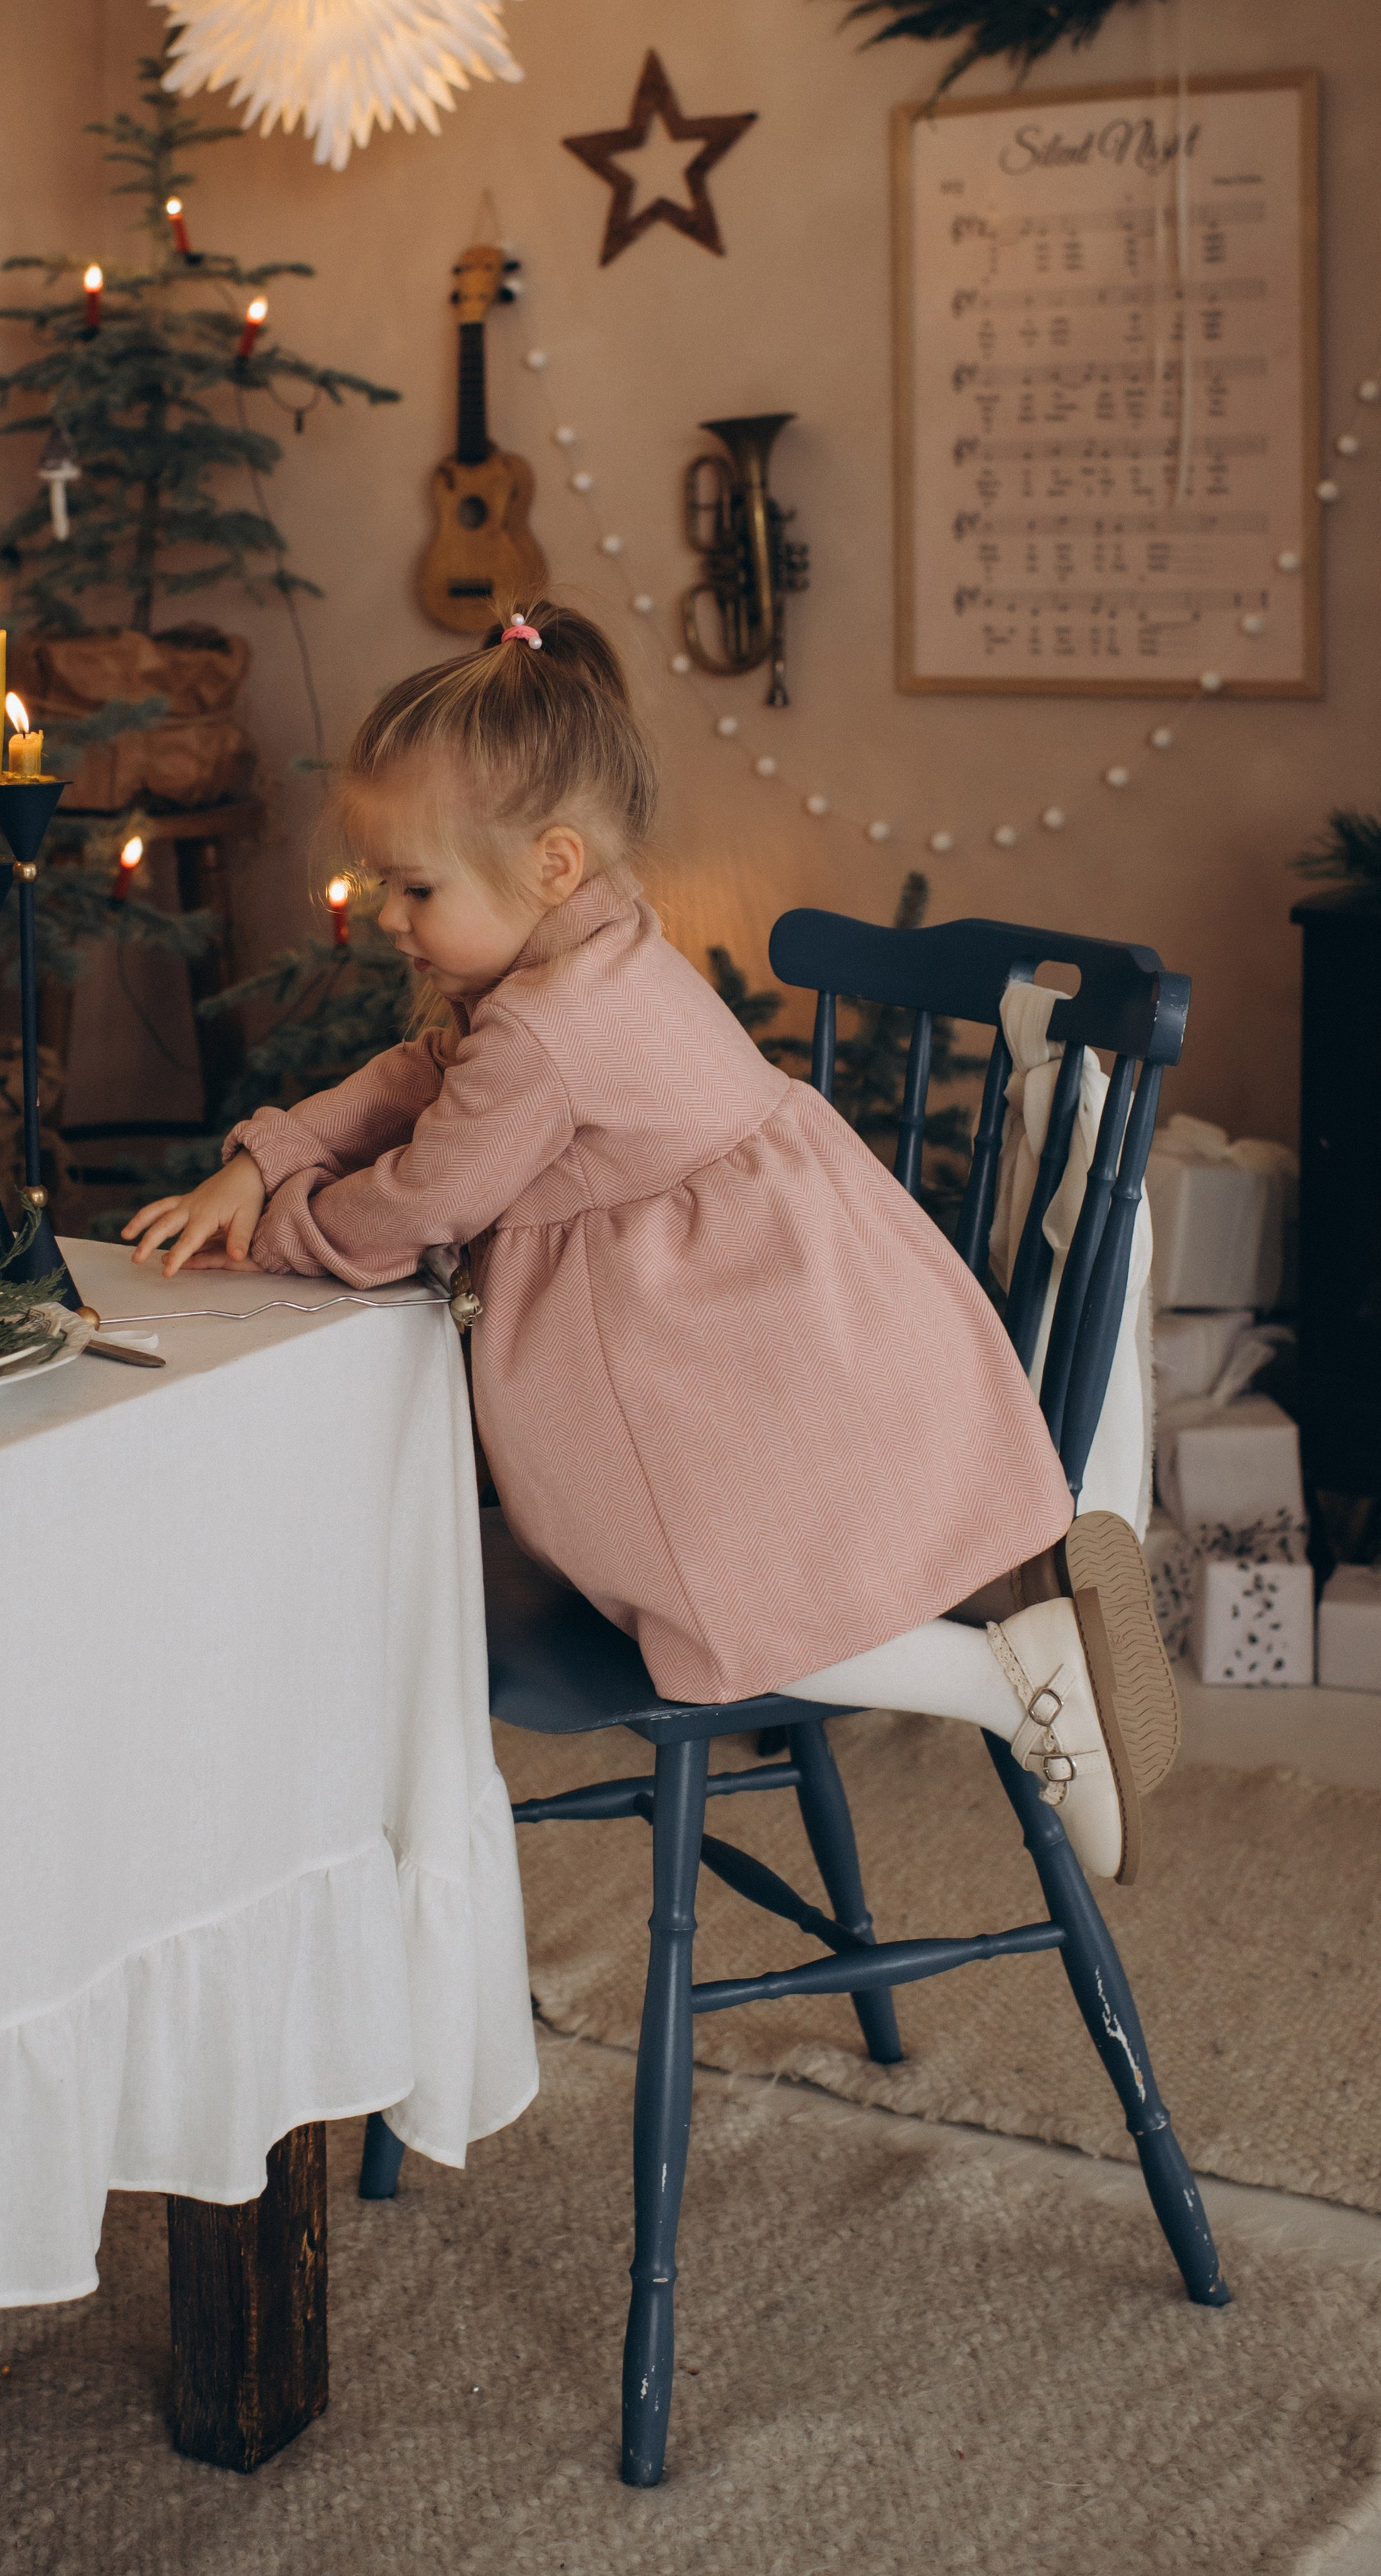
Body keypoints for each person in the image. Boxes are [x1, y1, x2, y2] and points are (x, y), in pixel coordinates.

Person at [124, 603, 1178, 1883]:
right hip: (785, 1324)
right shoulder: (591, 946)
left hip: (713, 1354)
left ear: (552, 862)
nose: (388, 916)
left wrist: (285, 1228)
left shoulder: (546, 1036)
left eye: (415, 887)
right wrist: (272, 1149)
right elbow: (423, 1071)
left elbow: (416, 1207)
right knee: (758, 1572)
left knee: (711, 1609)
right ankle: (1011, 1622)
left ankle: (1009, 1678)